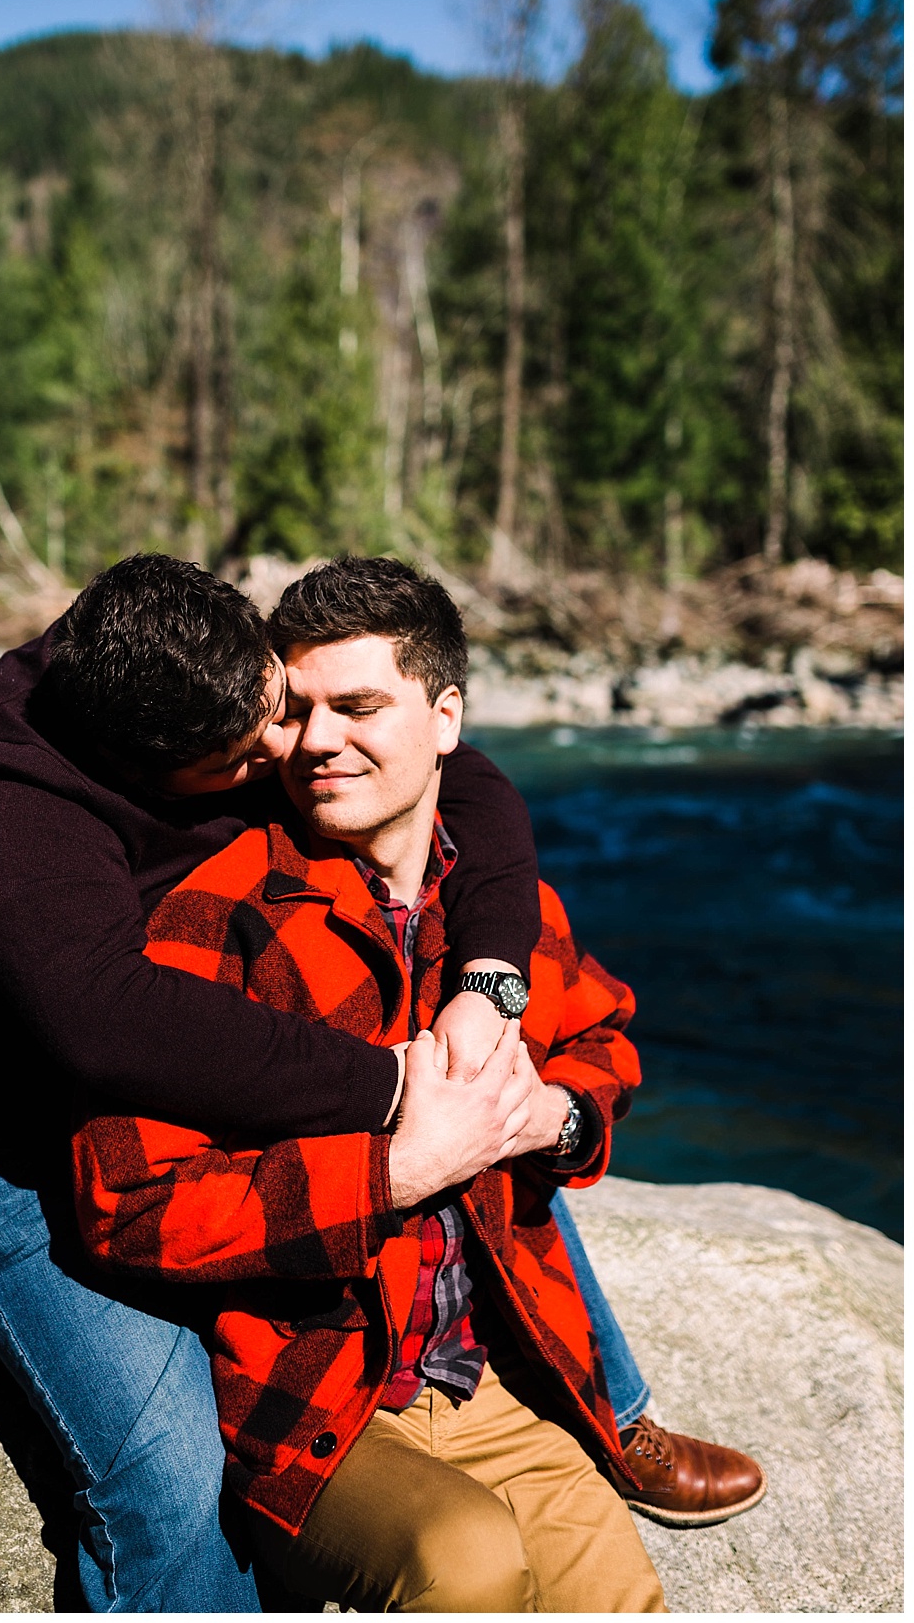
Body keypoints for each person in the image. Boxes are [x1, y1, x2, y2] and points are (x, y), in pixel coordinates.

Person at [0, 555, 761, 1611]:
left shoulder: (184, 650)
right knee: (165, 1482)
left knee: (486, 1107)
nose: (300, 752)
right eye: (256, 751)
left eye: (294, 713)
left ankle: (615, 1406)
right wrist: (394, 1103)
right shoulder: (5, 797)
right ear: (151, 766)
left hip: (139, 1044)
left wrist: (493, 985)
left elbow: (467, 783)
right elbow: (110, 1030)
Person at [73, 558, 671, 1609]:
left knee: (616, 1591)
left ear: (446, 718)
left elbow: (608, 1035)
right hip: (319, 1397)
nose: (315, 741)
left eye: (358, 706)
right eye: (297, 711)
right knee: (467, 1558)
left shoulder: (499, 913)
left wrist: (556, 1114)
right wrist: (393, 1171)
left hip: (497, 1384)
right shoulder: (224, 914)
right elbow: (130, 1198)